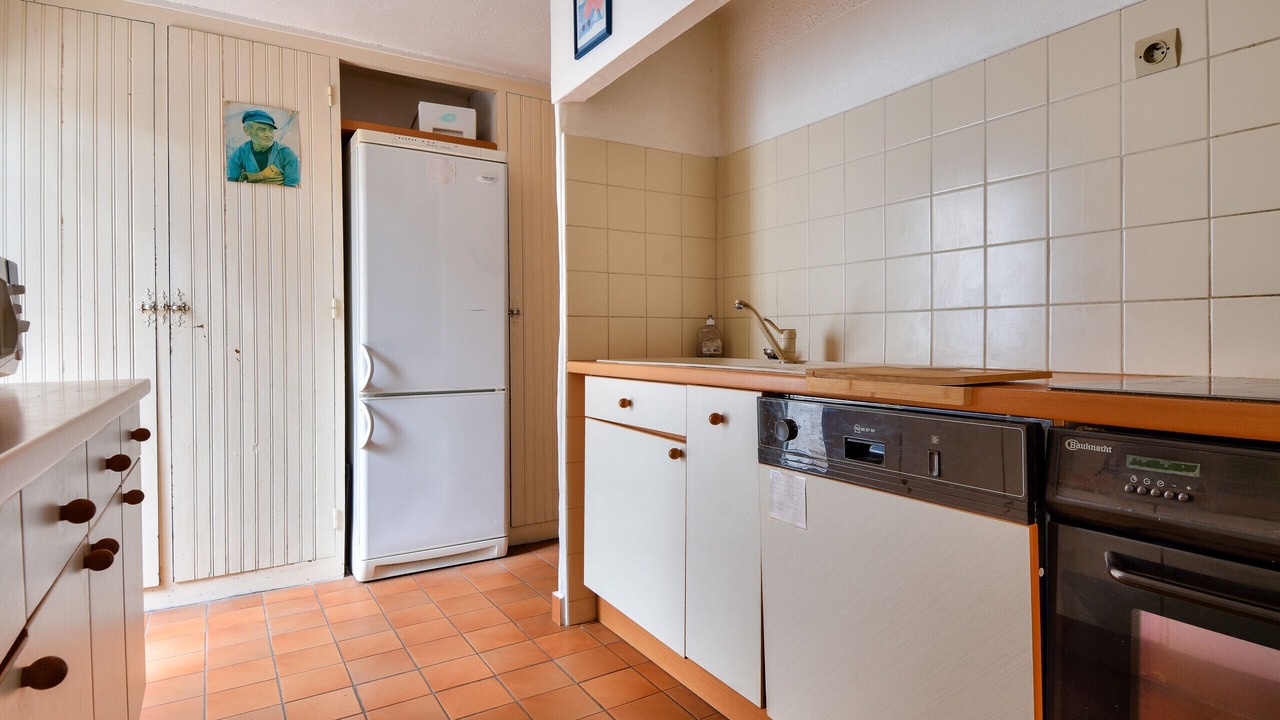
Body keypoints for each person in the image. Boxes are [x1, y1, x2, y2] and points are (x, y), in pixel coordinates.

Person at [227, 108, 300, 187]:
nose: (268, 135)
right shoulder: (239, 153)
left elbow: (292, 187)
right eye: (261, 130)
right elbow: (231, 184)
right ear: (247, 130)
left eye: (271, 130)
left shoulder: (286, 153)